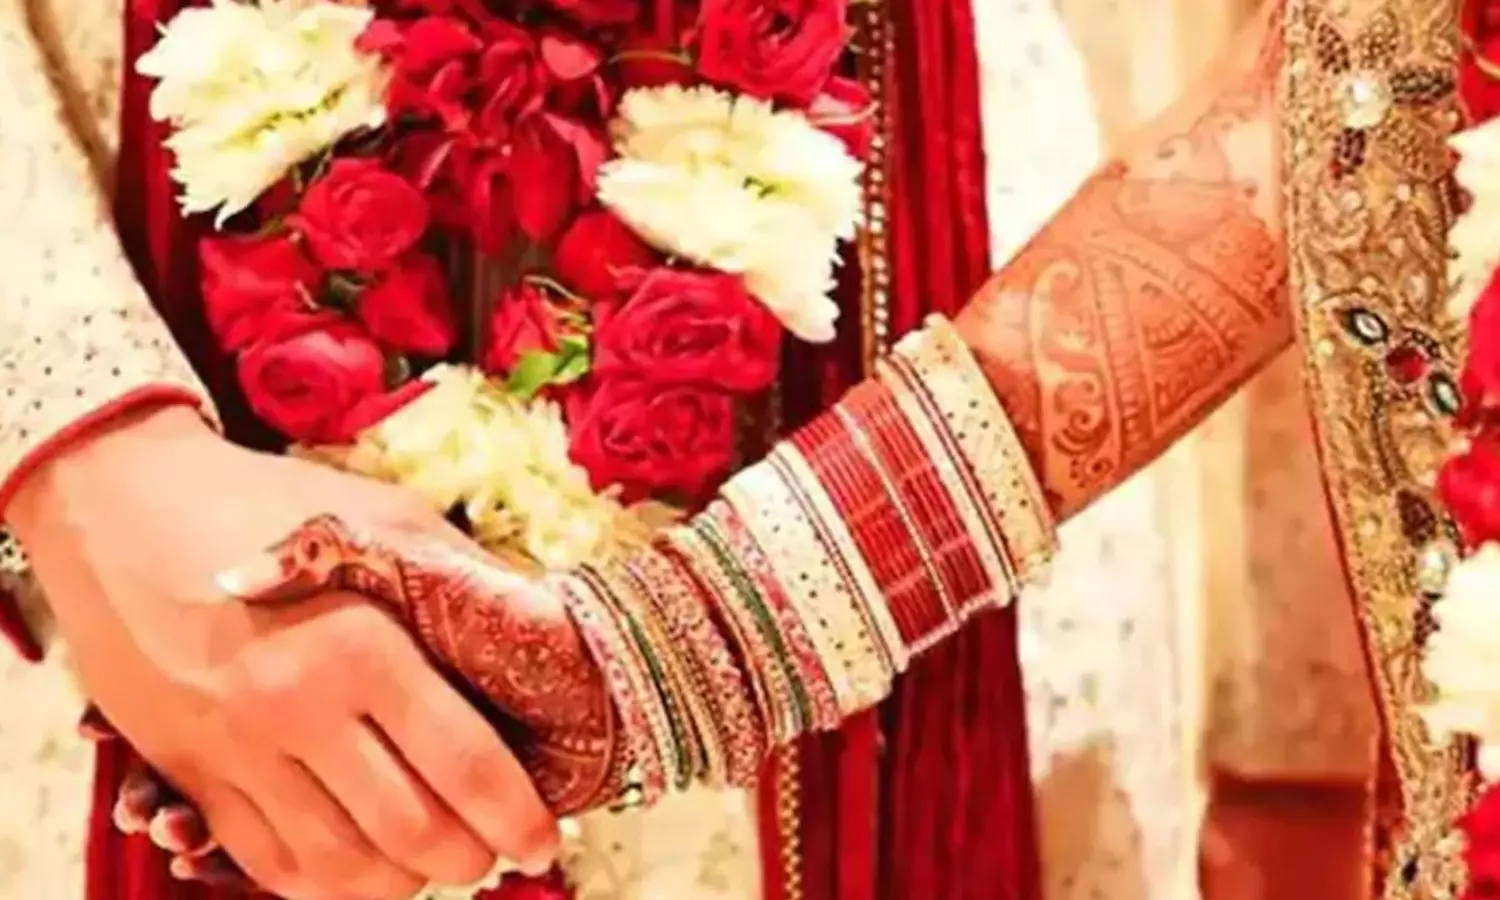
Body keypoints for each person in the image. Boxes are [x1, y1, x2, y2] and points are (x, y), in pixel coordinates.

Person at [0, 3, 1467, 900]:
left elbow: (1378, 53)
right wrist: (79, 441)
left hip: (947, 416)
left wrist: (1295, 736)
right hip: (140, 419)